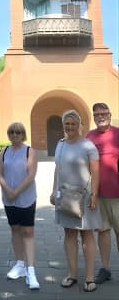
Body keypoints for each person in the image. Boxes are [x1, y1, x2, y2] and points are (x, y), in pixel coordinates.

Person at [50, 109, 102, 292]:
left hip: (85, 197)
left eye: (73, 123)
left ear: (79, 125)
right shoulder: (60, 144)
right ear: (63, 125)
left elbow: (95, 172)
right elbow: (58, 169)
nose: (70, 127)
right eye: (67, 123)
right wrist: (53, 191)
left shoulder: (88, 146)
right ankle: (72, 274)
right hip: (65, 196)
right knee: (69, 235)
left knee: (87, 235)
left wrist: (94, 195)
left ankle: (89, 277)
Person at [0, 122, 40, 290]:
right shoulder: (5, 151)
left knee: (28, 231)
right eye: (12, 132)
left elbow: (31, 175)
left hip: (26, 198)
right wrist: (8, 190)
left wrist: (17, 191)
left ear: (23, 134)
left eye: (18, 132)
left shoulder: (30, 151)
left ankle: (31, 270)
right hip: (9, 198)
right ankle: (20, 264)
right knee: (15, 229)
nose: (15, 135)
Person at [86, 103, 119, 284]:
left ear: (110, 114)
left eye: (104, 113)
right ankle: (105, 268)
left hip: (118, 194)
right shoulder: (89, 137)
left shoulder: (117, 134)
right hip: (97, 194)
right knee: (103, 231)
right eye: (97, 114)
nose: (100, 116)